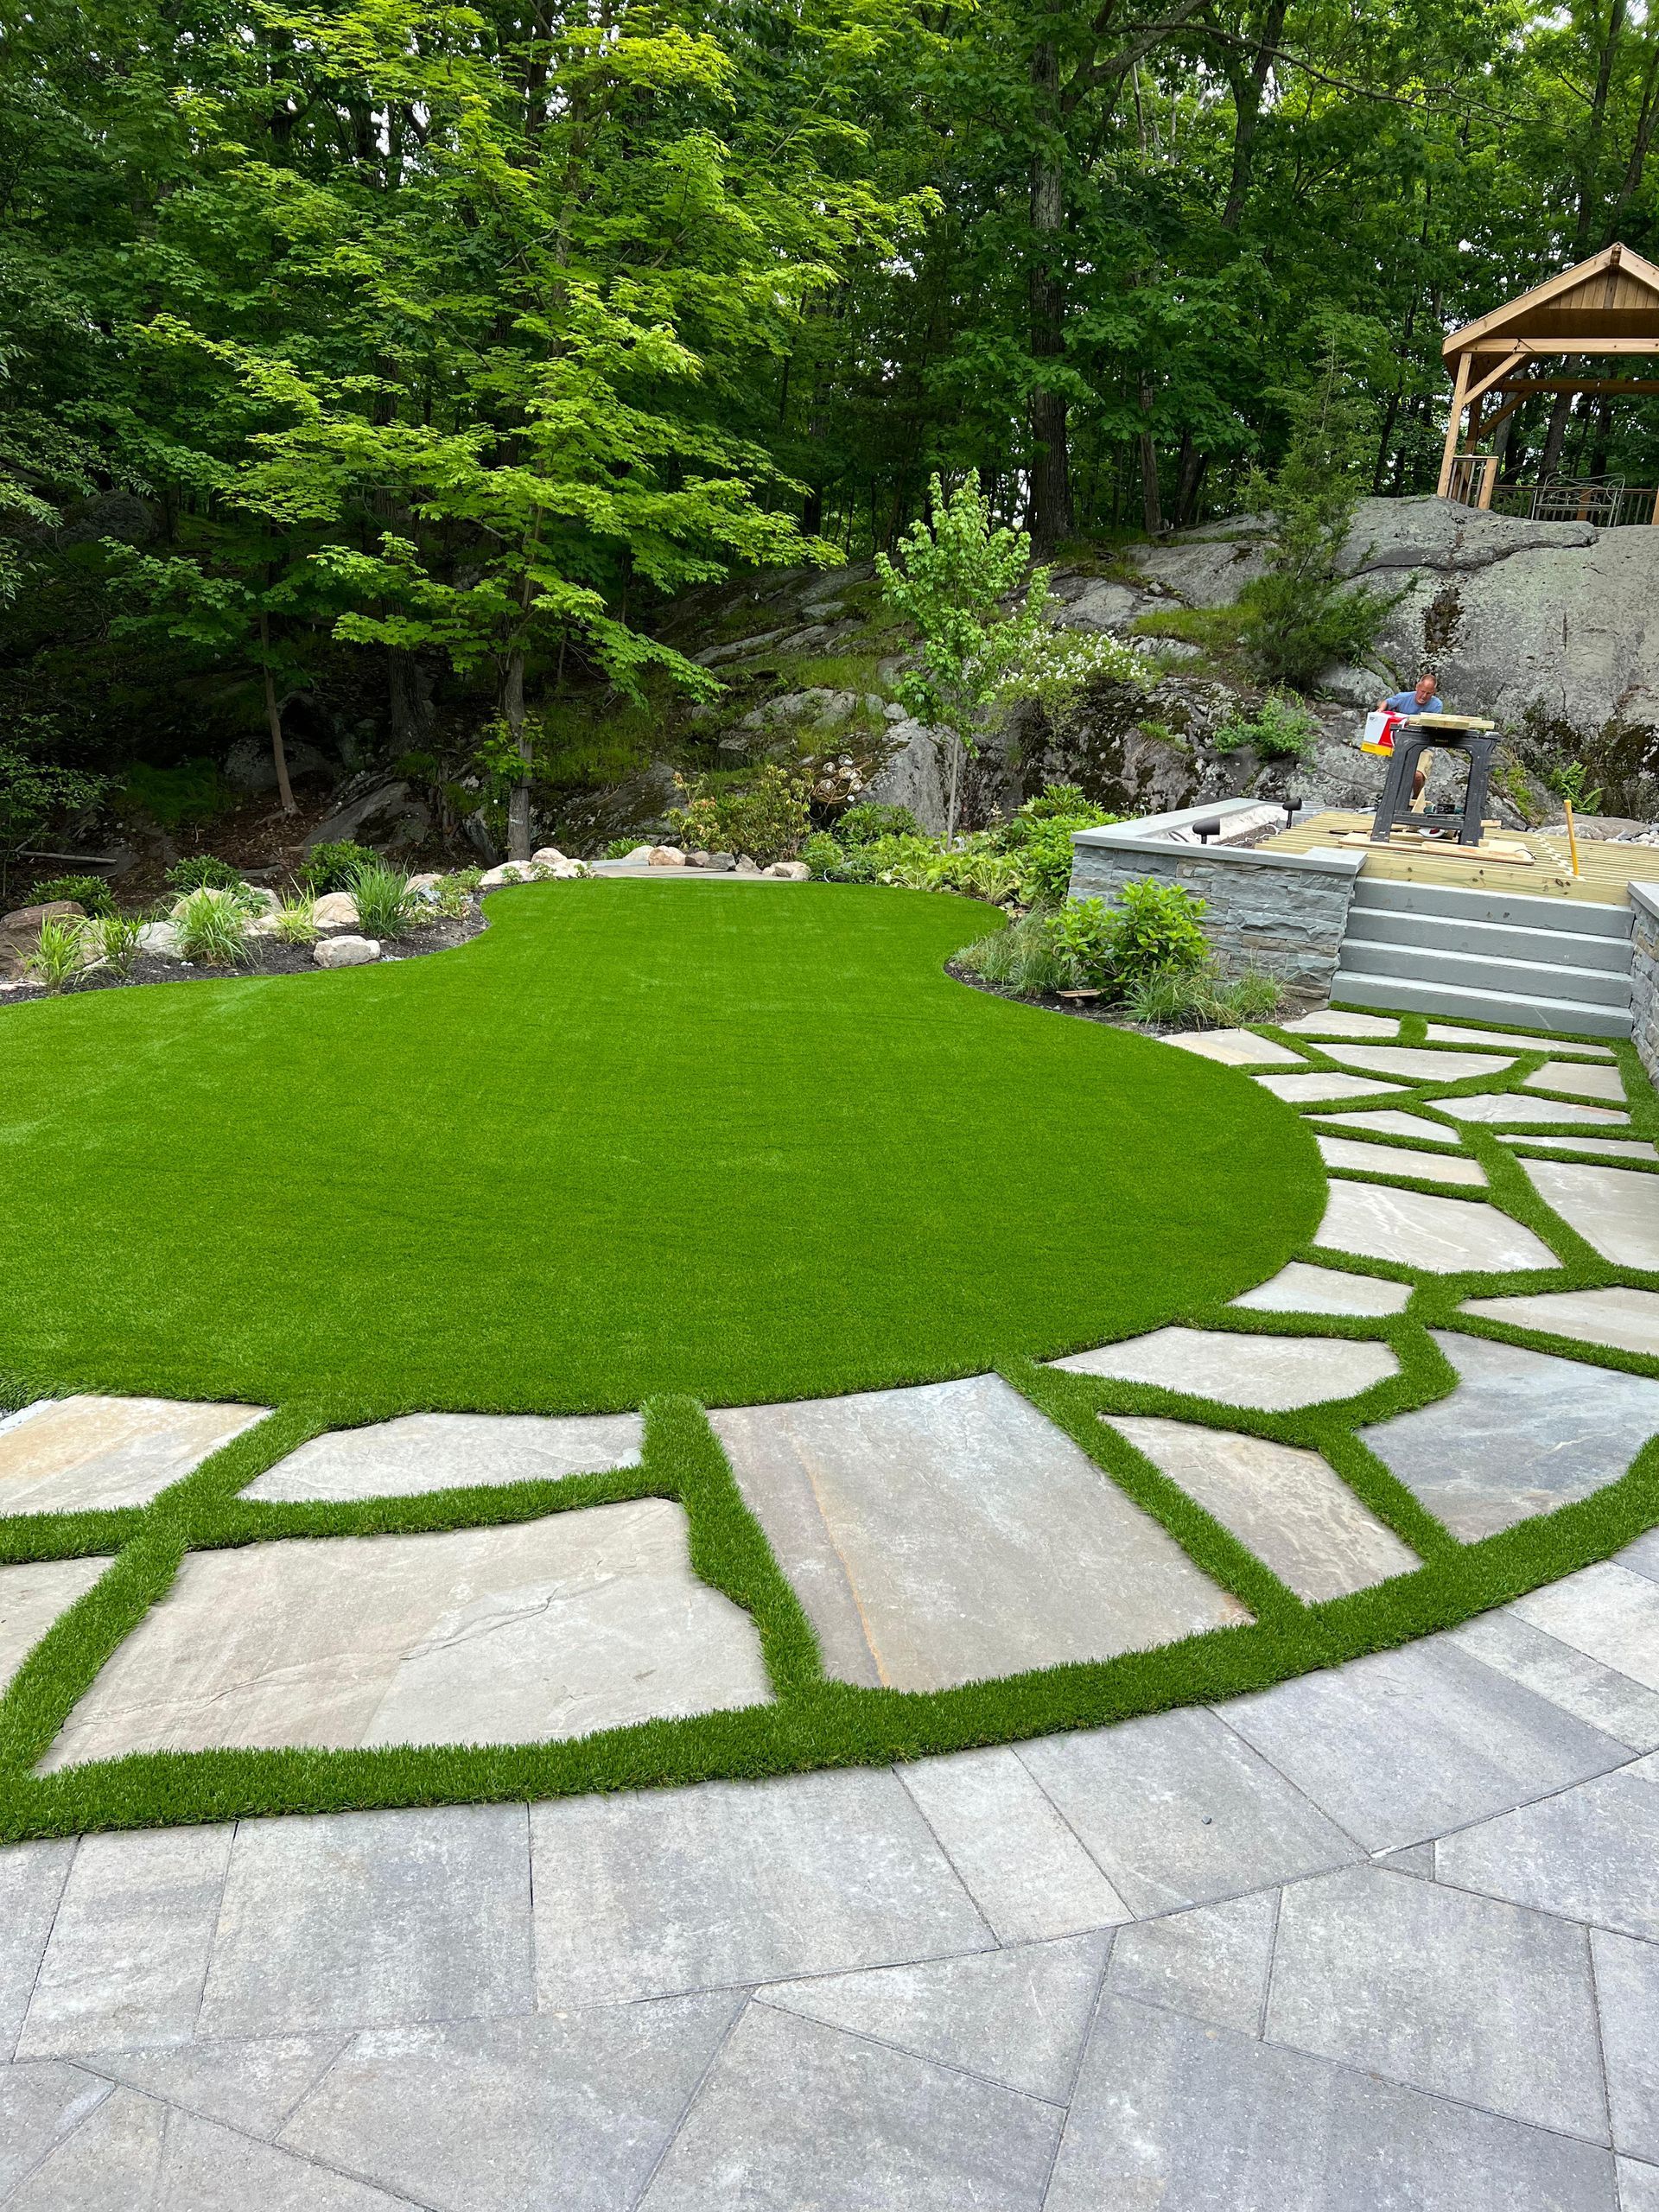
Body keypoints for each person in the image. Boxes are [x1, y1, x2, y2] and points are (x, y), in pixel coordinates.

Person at [1375, 671, 1444, 804]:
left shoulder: (1437, 705)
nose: (1424, 696)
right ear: (1417, 687)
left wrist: (1412, 722)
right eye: (1422, 691)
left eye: (1428, 693)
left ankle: (1416, 798)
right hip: (1401, 744)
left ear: (1433, 692)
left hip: (1423, 745)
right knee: (1397, 775)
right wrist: (1380, 711)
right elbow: (1387, 702)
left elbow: (1431, 725)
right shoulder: (1404, 697)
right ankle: (1393, 802)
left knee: (1417, 775)